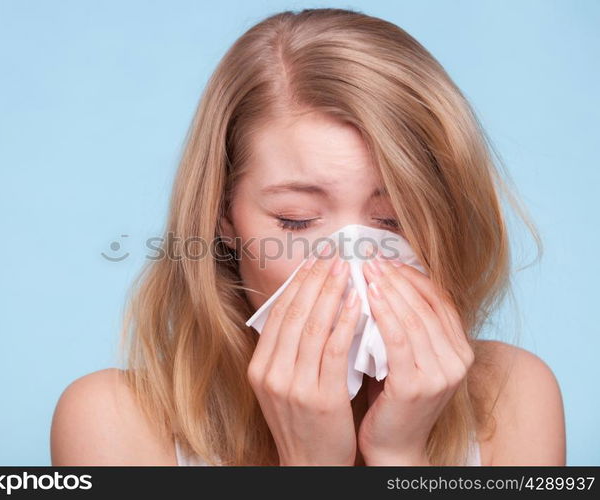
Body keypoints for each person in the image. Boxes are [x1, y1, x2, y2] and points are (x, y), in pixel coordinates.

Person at [50, 7, 565, 466]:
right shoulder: (112, 422)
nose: (352, 261)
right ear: (222, 217)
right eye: (296, 219)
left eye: (394, 221)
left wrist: (398, 456)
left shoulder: (513, 396)